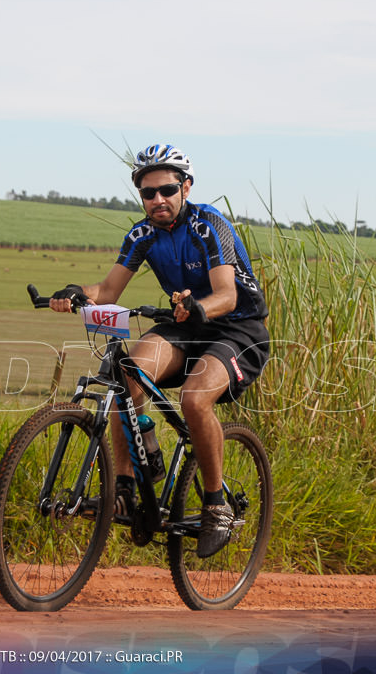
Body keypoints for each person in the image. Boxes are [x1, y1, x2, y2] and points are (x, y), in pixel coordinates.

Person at [49, 144, 270, 558]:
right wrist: (77, 293)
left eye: (166, 190)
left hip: (238, 329)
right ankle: (127, 488)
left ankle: (216, 505)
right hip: (187, 322)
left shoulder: (210, 225)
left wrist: (199, 306)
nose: (157, 200)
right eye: (148, 194)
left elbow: (226, 293)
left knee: (194, 397)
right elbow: (109, 291)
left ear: (186, 187)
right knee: (126, 372)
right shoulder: (142, 234)